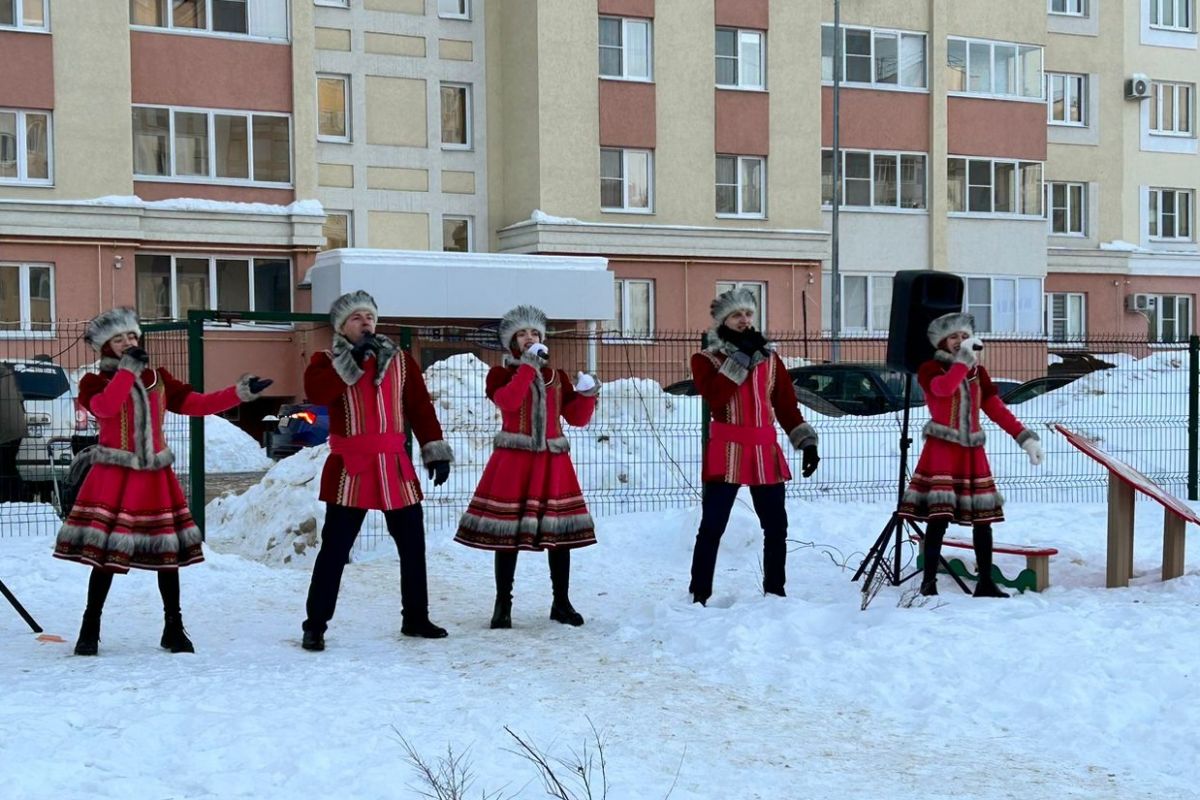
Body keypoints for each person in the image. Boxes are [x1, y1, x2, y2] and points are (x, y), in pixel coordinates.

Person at [54, 307, 273, 655]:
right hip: (114, 476)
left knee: (167, 555)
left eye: (132, 335)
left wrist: (240, 392)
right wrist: (127, 371)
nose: (129, 341)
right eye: (119, 338)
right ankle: (89, 627)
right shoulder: (93, 382)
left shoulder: (159, 378)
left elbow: (197, 403)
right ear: (105, 346)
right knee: (106, 556)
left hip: (155, 477)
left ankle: (173, 627)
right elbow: (107, 409)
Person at [300, 291, 454, 651]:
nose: (366, 322)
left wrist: (435, 450)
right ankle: (315, 624)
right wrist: (349, 362)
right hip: (351, 469)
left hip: (393, 466)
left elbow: (419, 406)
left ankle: (415, 617)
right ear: (342, 326)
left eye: (370, 316)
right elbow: (317, 393)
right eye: (356, 318)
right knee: (335, 550)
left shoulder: (400, 360)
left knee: (413, 547)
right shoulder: (325, 361)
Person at [454, 305, 600, 628]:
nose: (530, 338)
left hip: (552, 461)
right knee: (509, 534)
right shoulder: (500, 374)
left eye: (534, 333)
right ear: (511, 342)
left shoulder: (557, 377)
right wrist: (527, 368)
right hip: (514, 462)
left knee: (558, 536)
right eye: (522, 334)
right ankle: (502, 604)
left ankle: (561, 602)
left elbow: (576, 418)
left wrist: (588, 395)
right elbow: (508, 401)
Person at [898, 312, 1044, 598]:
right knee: (938, 518)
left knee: (983, 521)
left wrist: (1024, 438)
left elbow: (995, 408)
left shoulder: (978, 372)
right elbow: (943, 390)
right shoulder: (931, 368)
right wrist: (963, 363)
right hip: (942, 450)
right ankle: (929, 582)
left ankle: (985, 582)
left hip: (972, 453)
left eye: (964, 336)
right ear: (942, 341)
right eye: (953, 337)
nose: (959, 342)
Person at [688, 288, 819, 605]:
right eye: (737, 315)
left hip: (764, 449)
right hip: (727, 449)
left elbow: (787, 407)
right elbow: (716, 397)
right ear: (724, 321)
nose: (744, 320)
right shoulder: (705, 359)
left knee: (776, 526)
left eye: (748, 314)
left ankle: (776, 590)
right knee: (713, 525)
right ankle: (700, 592)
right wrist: (740, 360)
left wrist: (807, 443)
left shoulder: (771, 360)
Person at [0, 361, 27, 502]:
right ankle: (18, 498)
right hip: (15, 428)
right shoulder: (7, 373)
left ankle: (11, 499)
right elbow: (20, 399)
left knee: (5, 466)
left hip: (5, 428)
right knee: (8, 465)